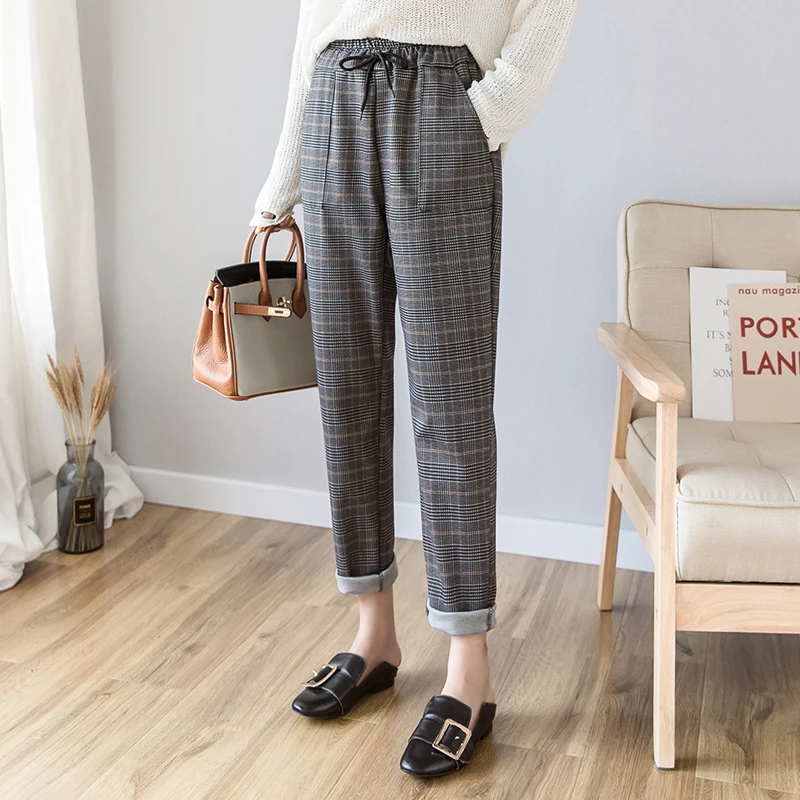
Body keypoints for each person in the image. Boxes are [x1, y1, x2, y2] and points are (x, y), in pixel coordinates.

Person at [251, 0, 578, 779]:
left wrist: (484, 113)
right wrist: (278, 186)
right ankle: (374, 637)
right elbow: (313, 30)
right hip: (334, 104)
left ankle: (470, 671)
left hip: (442, 105)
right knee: (348, 392)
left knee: (450, 400)